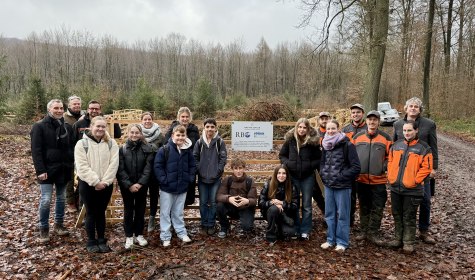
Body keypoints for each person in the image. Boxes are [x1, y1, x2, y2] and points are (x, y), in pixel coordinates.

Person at [393, 97, 438, 244]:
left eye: (416, 107)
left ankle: (423, 230)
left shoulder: (429, 124)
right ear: (405, 108)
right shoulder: (398, 124)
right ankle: (402, 232)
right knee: (402, 202)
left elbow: (433, 147)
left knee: (425, 200)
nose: (413, 108)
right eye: (410, 106)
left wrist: (433, 168)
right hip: (402, 170)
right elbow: (394, 147)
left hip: (423, 169)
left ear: (420, 109)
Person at [30, 99, 75, 243]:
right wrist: (40, 170)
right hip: (47, 170)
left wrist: (71, 163)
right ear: (49, 110)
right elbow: (36, 151)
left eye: (61, 108)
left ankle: (59, 224)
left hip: (64, 168)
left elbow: (71, 147)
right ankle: (43, 228)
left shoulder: (66, 126)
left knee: (61, 198)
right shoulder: (39, 126)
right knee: (46, 199)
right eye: (56, 108)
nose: (59, 110)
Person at [75, 116, 119, 253]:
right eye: (97, 126)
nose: (100, 129)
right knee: (91, 212)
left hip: (106, 184)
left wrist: (105, 182)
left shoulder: (111, 143)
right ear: (91, 126)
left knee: (101, 212)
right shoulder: (82, 144)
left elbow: (114, 163)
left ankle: (101, 239)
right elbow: (82, 166)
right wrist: (95, 181)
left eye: (103, 126)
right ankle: (91, 241)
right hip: (87, 184)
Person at [387, 120, 433, 253]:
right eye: (405, 131)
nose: (407, 133)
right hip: (396, 187)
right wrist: (391, 176)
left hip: (413, 189)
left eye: (410, 130)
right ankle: (397, 239)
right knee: (397, 214)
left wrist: (414, 180)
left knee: (409, 216)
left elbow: (427, 168)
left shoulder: (423, 148)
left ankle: (408, 242)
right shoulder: (396, 145)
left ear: (416, 131)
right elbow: (390, 161)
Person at [320, 119, 361, 253]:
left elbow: (356, 167)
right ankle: (330, 239)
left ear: (338, 129)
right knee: (329, 214)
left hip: (343, 186)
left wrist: (341, 176)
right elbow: (322, 163)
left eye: (333, 128)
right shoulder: (325, 145)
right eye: (328, 129)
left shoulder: (347, 145)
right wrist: (324, 174)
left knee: (343, 215)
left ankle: (342, 242)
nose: (331, 131)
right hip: (329, 185)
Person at [352, 111, 392, 245]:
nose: (372, 122)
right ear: (366, 121)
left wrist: (383, 166)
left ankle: (373, 232)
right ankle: (364, 231)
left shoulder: (386, 138)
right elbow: (352, 155)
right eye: (370, 120)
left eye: (375, 120)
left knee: (378, 207)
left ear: (378, 122)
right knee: (363, 206)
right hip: (361, 179)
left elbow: (390, 157)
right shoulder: (357, 137)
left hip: (378, 181)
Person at [279, 118, 321, 240]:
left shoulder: (313, 142)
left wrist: (309, 165)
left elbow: (319, 159)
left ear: (308, 129)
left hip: (307, 177)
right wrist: (288, 164)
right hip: (293, 176)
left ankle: (305, 230)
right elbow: (282, 155)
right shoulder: (290, 140)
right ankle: (296, 228)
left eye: (304, 128)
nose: (301, 130)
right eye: (300, 127)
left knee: (307, 205)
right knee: (294, 204)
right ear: (296, 128)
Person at [154, 125, 196, 247]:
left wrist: (189, 178)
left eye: (183, 135)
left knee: (178, 212)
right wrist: (164, 180)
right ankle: (165, 236)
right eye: (178, 135)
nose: (180, 137)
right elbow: (158, 166)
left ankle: (181, 232)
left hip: (182, 187)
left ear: (185, 136)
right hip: (167, 188)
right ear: (173, 136)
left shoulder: (187, 151)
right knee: (165, 212)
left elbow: (192, 166)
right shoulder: (165, 149)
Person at [117, 124, 154, 249]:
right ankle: (128, 235)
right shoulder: (122, 149)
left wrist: (140, 183)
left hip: (141, 185)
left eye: (137, 133)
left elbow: (148, 168)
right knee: (128, 209)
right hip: (126, 186)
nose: (134, 135)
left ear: (140, 134)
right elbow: (120, 169)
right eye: (132, 132)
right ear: (128, 133)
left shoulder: (147, 148)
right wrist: (129, 184)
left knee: (140, 209)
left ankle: (139, 234)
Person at [193, 118, 227, 235]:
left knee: (213, 202)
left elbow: (223, 159)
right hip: (202, 178)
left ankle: (211, 224)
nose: (210, 129)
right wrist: (199, 170)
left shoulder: (219, 142)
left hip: (215, 178)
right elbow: (195, 157)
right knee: (202, 202)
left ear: (215, 128)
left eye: (212, 127)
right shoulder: (199, 142)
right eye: (207, 127)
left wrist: (218, 171)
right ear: (204, 128)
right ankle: (204, 224)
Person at [165, 107, 200, 206]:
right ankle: (174, 220)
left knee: (186, 196)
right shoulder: (173, 128)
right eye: (182, 117)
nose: (185, 119)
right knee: (174, 196)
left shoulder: (194, 129)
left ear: (190, 117)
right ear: (178, 117)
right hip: (174, 165)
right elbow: (166, 143)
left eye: (187, 117)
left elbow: (197, 146)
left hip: (188, 165)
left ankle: (180, 219)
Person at [216, 159, 257, 238]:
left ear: (244, 169)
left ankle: (247, 224)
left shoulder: (249, 181)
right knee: (219, 206)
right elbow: (219, 196)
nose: (238, 171)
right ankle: (224, 227)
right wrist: (229, 198)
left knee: (247, 227)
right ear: (232, 169)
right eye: (236, 168)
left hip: (245, 208)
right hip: (231, 207)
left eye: (240, 168)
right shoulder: (228, 180)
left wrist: (247, 201)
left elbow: (254, 200)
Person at [258, 165, 298, 244]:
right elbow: (261, 203)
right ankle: (270, 236)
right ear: (276, 174)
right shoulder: (268, 184)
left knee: (290, 233)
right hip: (270, 213)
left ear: (287, 175)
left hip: (285, 214)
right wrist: (271, 203)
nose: (281, 175)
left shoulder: (292, 186)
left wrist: (282, 203)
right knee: (274, 209)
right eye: (279, 173)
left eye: (284, 173)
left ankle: (279, 227)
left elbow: (295, 206)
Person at [139, 112, 165, 232]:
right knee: (142, 194)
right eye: (145, 119)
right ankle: (141, 217)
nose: (147, 121)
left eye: (149, 119)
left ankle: (152, 218)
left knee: (154, 195)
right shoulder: (138, 133)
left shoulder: (159, 135)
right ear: (142, 121)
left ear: (152, 120)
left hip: (155, 169)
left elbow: (163, 151)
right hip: (141, 169)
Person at [342, 103, 367, 227]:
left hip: (364, 169)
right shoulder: (345, 130)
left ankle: (364, 224)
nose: (355, 114)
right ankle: (350, 221)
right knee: (349, 197)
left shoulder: (368, 128)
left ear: (362, 113)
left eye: (358, 112)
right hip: (350, 169)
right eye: (353, 113)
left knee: (364, 198)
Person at [63, 95, 84, 212]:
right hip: (69, 150)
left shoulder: (84, 116)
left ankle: (78, 198)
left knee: (82, 176)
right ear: (69, 105)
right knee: (69, 178)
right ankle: (70, 202)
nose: (77, 106)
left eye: (78, 104)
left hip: (83, 151)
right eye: (74, 104)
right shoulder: (64, 117)